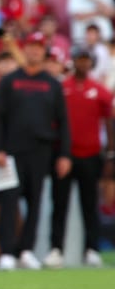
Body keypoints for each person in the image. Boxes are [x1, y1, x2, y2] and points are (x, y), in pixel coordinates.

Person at [0, 32, 71, 270]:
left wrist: (64, 154)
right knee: (9, 201)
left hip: (41, 150)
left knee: (35, 202)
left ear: (44, 52)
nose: (34, 51)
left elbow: (63, 121)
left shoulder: (52, 83)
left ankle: (25, 249)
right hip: (13, 150)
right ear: (24, 50)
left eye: (39, 48)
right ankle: (6, 251)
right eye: (31, 47)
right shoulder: (10, 80)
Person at [45, 47, 113, 268]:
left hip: (91, 154)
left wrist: (110, 153)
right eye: (79, 60)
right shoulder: (62, 87)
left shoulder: (99, 90)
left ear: (91, 63)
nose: (82, 64)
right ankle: (56, 248)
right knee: (60, 203)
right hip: (65, 154)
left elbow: (109, 121)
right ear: (73, 62)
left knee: (89, 204)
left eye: (86, 60)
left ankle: (91, 248)